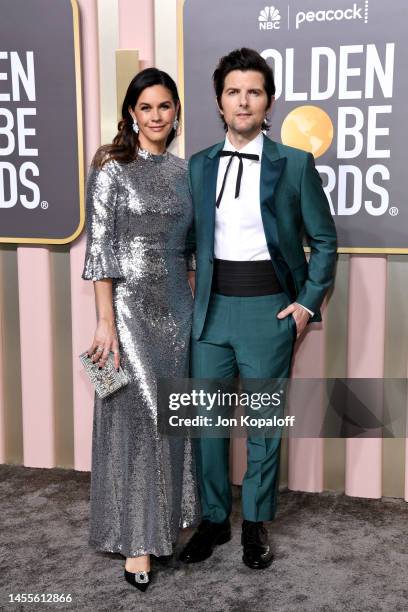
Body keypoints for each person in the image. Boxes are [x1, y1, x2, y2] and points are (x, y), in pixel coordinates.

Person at [179, 48, 337, 570]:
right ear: (219, 102)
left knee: (265, 425)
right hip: (210, 312)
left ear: (268, 101)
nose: (242, 101)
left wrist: (305, 307)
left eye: (253, 91)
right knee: (206, 421)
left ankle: (256, 523)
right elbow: (181, 241)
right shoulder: (198, 165)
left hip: (270, 311)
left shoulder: (294, 164)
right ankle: (214, 520)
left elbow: (325, 241)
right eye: (232, 91)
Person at [81, 68, 200, 592]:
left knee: (174, 416)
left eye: (165, 106)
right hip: (128, 308)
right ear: (132, 112)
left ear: (176, 112)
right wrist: (106, 322)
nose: (156, 116)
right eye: (146, 107)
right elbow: (101, 250)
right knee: (142, 416)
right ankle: (137, 540)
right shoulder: (110, 168)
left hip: (179, 304)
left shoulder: (184, 173)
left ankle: (166, 523)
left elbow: (194, 251)